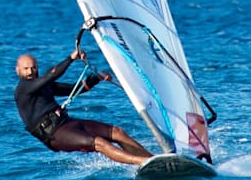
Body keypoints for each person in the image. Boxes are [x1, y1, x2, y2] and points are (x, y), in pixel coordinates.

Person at [14, 49, 153, 166]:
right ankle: (144, 162)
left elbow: (76, 89)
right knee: (99, 143)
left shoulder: (44, 85)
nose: (30, 71)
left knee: (117, 132)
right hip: (54, 134)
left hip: (67, 123)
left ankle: (153, 158)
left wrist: (97, 77)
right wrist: (71, 58)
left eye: (33, 67)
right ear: (18, 70)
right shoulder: (23, 88)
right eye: (26, 69)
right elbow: (49, 76)